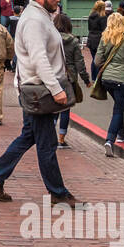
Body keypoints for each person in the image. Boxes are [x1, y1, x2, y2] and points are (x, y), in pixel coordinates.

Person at [0, 0, 79, 207]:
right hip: (39, 90)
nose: (58, 0)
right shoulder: (35, 20)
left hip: (35, 88)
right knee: (46, 144)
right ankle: (58, 193)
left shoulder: (41, 17)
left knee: (29, 136)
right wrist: (56, 89)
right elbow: (38, 57)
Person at [94, 12, 124, 157]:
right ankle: (110, 139)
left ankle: (122, 134)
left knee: (118, 105)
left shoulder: (105, 37)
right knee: (118, 109)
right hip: (123, 78)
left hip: (107, 78)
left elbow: (97, 61)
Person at [54, 13, 88, 147]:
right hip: (69, 78)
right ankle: (61, 139)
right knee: (65, 109)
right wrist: (86, 79)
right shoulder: (73, 41)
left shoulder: (50, 39)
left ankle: (50, 135)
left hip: (53, 76)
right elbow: (79, 62)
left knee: (53, 108)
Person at [86, 0, 108, 82]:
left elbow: (89, 28)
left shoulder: (90, 16)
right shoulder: (103, 17)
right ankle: (98, 77)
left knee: (94, 58)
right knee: (99, 59)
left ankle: (93, 77)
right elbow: (104, 29)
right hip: (99, 39)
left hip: (91, 39)